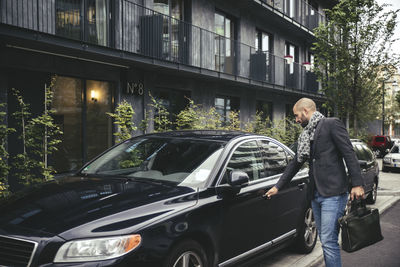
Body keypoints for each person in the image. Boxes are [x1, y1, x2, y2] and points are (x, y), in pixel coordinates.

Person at [265, 98, 365, 267]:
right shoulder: (305, 134)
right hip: (315, 195)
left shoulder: (331, 124)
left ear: (305, 111)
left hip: (333, 193)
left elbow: (349, 153)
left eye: (297, 115)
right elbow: (296, 162)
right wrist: (277, 187)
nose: (296, 120)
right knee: (325, 240)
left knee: (328, 240)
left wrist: (357, 184)